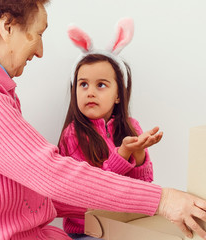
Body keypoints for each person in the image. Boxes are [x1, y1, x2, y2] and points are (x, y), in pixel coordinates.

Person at [0, 1, 206, 239]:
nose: (40, 51)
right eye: (39, 34)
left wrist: (149, 196)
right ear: (8, 27)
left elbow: (35, 190)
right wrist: (162, 200)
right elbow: (50, 173)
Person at [58, 18, 163, 239]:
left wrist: (139, 153)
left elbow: (142, 186)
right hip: (88, 229)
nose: (90, 92)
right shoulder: (73, 135)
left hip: (123, 224)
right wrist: (123, 153)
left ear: (118, 95)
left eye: (101, 85)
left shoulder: (131, 127)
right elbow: (94, 190)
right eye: (83, 84)